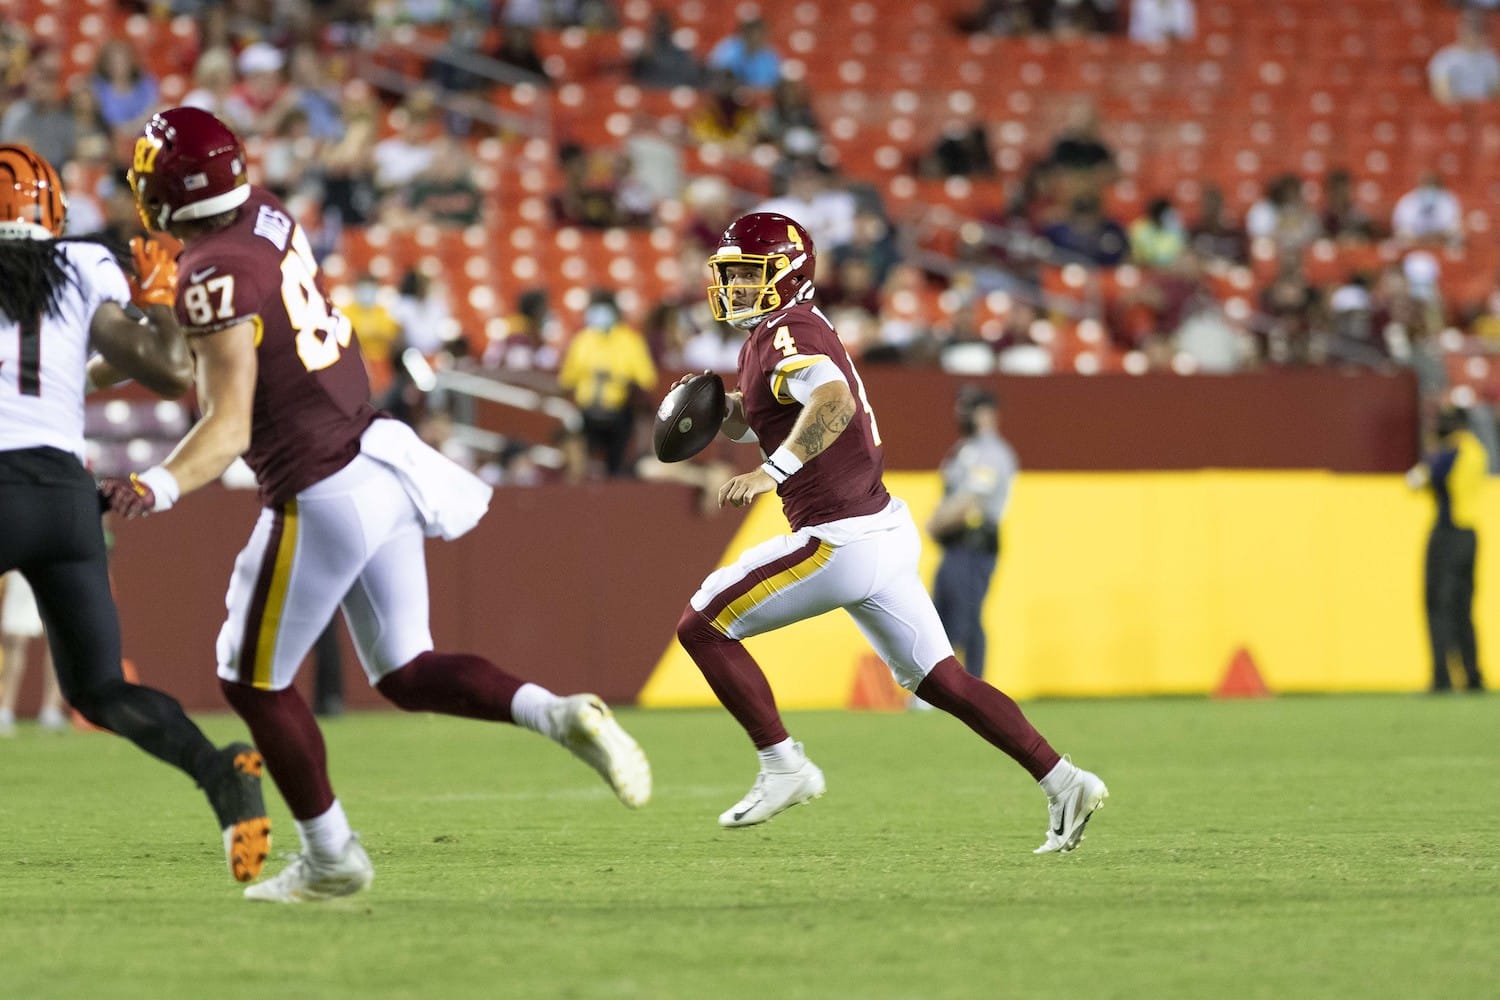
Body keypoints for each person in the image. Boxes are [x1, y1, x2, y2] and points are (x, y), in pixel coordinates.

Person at [103, 108, 651, 904]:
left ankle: (331, 856)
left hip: (319, 486)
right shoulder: (266, 218)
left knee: (248, 679)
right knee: (406, 669)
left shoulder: (213, 272)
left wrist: (155, 485)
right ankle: (557, 713)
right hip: (379, 458)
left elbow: (224, 424)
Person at [671, 212, 1107, 853]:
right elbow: (779, 413)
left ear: (786, 274)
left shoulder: (787, 330)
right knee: (943, 680)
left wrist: (772, 472)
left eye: (747, 275)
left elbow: (834, 402)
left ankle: (783, 765)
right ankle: (1065, 780)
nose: (734, 288)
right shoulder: (775, 335)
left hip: (838, 536)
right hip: (880, 528)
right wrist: (724, 414)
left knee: (702, 624)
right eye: (729, 276)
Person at [0, 142, 270, 879]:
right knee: (102, 687)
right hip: (63, 497)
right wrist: (155, 297)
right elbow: (168, 370)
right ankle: (224, 778)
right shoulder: (85, 265)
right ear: (51, 212)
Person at [927, 388, 1018, 682]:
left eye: (969, 408)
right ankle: (970, 684)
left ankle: (957, 684)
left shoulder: (990, 453)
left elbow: (971, 500)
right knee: (952, 611)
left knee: (960, 614)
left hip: (974, 542)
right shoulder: (965, 449)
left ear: (987, 412)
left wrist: (935, 524)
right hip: (957, 545)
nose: (961, 415)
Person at [1407, 407, 1487, 693]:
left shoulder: (1452, 452)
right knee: (1463, 609)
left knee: (1438, 607)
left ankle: (1442, 677)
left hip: (1448, 535)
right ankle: (1473, 676)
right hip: (1471, 536)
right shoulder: (1477, 451)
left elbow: (1418, 480)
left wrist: (1430, 451)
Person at [558, 289, 657, 477]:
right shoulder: (582, 340)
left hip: (618, 412)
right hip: (586, 413)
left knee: (616, 465)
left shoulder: (630, 341)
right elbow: (566, 379)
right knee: (575, 451)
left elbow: (647, 380)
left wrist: (619, 379)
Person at [0, 570, 68, 735]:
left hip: (56, 564)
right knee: (15, 638)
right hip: (23, 561)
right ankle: (4, 710)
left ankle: (51, 711)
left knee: (58, 638)